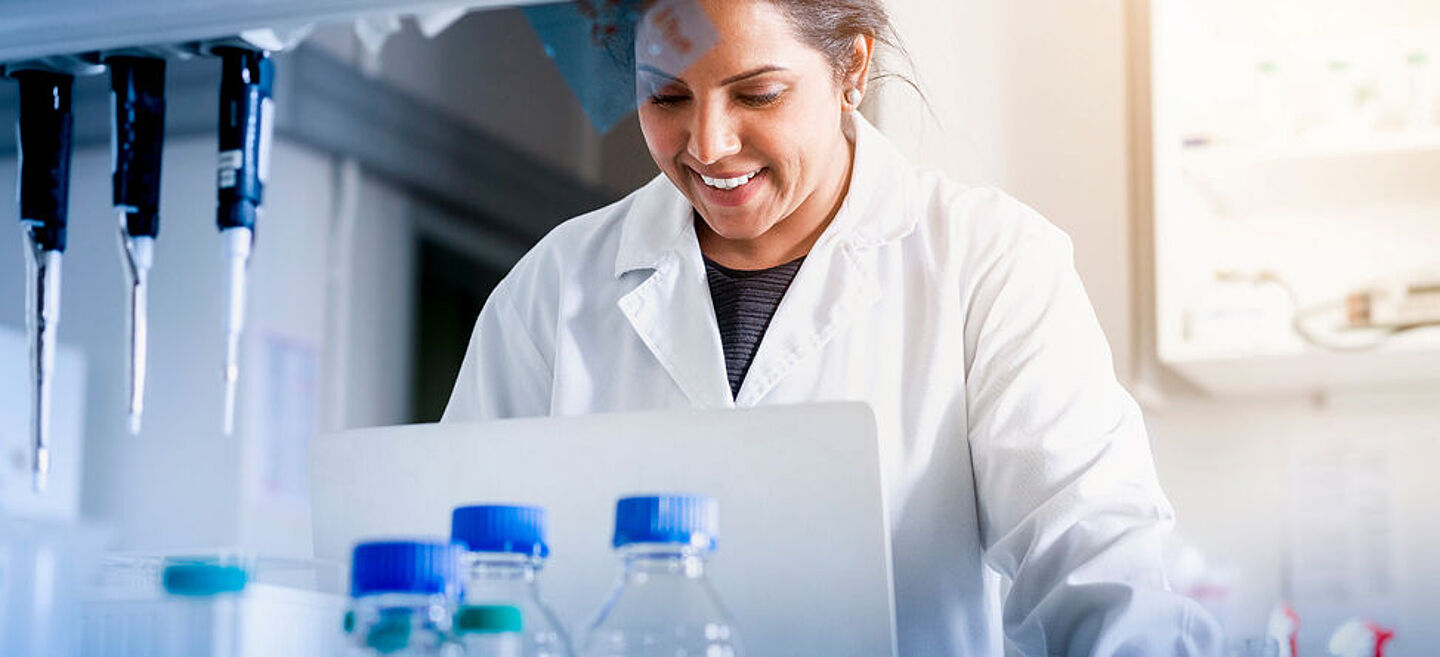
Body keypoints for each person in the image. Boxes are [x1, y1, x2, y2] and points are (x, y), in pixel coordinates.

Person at [444, 0, 1221, 654]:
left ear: (851, 67)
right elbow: (456, 574)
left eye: (758, 94)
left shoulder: (989, 262)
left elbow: (1099, 565)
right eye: (667, 97)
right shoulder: (554, 287)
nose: (709, 144)